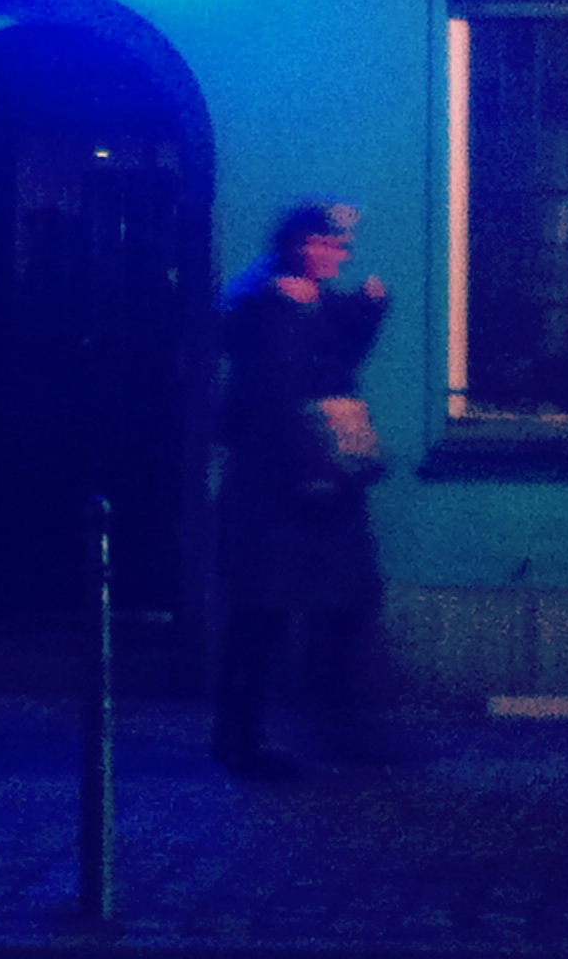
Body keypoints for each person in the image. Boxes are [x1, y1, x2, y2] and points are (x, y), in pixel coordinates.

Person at [211, 199, 388, 777]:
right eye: (328, 243)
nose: (339, 254)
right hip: (279, 488)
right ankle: (241, 738)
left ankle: (331, 724)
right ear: (299, 246)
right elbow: (269, 396)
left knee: (344, 602)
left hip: (320, 482)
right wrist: (304, 466)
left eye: (340, 245)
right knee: (262, 614)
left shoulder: (316, 305)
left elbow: (339, 359)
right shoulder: (268, 311)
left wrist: (370, 310)